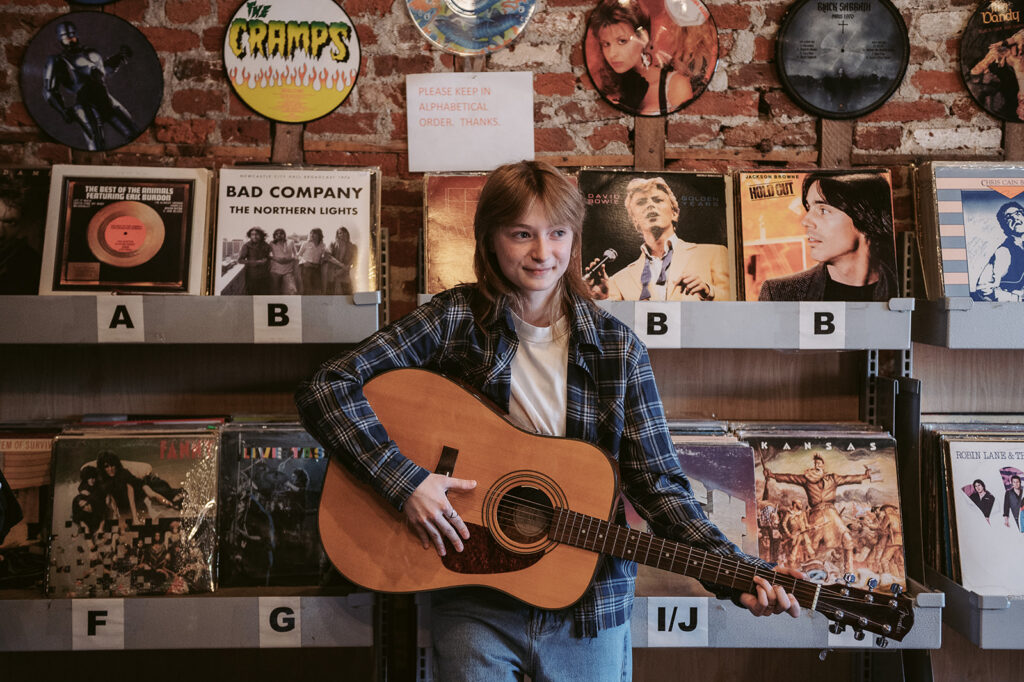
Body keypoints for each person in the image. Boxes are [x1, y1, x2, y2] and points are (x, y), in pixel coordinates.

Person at [296, 160, 801, 681]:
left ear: (575, 238)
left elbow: (660, 487)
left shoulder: (617, 350)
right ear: (490, 238)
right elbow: (325, 386)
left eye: (558, 233)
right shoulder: (454, 321)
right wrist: (408, 483)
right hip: (474, 598)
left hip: (590, 609)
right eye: (522, 234)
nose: (543, 253)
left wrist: (739, 575)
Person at [758, 172, 898, 302]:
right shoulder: (779, 294)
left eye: (823, 210)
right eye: (808, 207)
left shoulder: (901, 288)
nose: (805, 221)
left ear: (866, 218)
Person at [589, 176, 730, 301]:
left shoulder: (714, 254)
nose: (650, 205)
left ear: (674, 213)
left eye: (657, 200)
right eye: (641, 202)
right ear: (634, 221)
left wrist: (708, 291)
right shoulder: (618, 280)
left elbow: (735, 302)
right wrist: (602, 299)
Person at [763, 453, 872, 576]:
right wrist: (772, 475)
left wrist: (865, 476)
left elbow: (848, 478)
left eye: (819, 464)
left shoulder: (833, 479)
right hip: (815, 515)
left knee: (847, 538)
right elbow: (791, 478)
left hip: (832, 514)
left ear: (823, 466)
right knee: (810, 547)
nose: (816, 466)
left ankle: (849, 572)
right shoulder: (806, 479)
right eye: (815, 464)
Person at [42, 20, 139, 151]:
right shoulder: (58, 60)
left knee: (133, 132)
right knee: (96, 144)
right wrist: (63, 110)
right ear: (60, 39)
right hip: (85, 104)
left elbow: (101, 72)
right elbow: (49, 91)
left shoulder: (91, 52)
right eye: (66, 38)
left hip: (105, 99)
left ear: (76, 35)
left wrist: (119, 58)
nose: (70, 40)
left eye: (71, 36)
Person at [587, 0, 692, 116]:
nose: (612, 54)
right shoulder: (605, 85)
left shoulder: (675, 85)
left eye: (622, 41)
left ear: (643, 38)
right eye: (606, 44)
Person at [974, 200, 1024, 302]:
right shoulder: (1004, 252)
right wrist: (1016, 298)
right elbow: (983, 288)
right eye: (1009, 217)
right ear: (1005, 227)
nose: (1015, 218)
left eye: (1018, 213)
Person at [323, 226, 357, 295]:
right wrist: (341, 265)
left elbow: (354, 261)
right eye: (340, 233)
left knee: (348, 293)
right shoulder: (332, 244)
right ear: (337, 235)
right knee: (329, 293)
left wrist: (343, 270)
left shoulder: (353, 246)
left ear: (347, 234)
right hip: (333, 272)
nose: (342, 235)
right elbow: (327, 256)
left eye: (344, 233)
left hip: (344, 273)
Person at [237, 227, 271, 295]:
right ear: (250, 236)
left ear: (261, 235)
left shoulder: (266, 245)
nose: (254, 236)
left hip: (265, 276)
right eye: (252, 234)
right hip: (252, 277)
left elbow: (269, 257)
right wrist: (257, 262)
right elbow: (240, 260)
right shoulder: (247, 246)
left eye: (257, 234)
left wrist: (267, 260)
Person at [297, 228, 328, 294]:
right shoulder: (305, 243)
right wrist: (304, 262)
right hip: (306, 267)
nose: (312, 235)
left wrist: (323, 257)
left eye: (314, 233)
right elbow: (298, 255)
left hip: (316, 268)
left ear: (319, 235)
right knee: (307, 288)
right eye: (311, 233)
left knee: (316, 288)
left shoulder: (323, 245)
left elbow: (324, 255)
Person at [268, 228, 298, 295]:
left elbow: (296, 255)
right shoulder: (271, 243)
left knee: (292, 291)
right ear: (274, 235)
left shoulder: (291, 242)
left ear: (284, 234)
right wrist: (276, 259)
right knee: (275, 291)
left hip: (288, 271)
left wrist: (289, 259)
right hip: (275, 271)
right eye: (277, 234)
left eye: (281, 233)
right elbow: (267, 255)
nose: (279, 235)